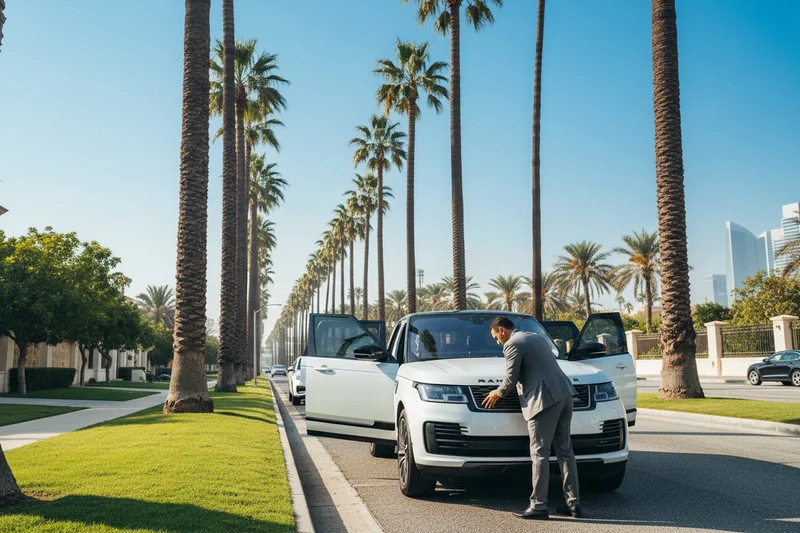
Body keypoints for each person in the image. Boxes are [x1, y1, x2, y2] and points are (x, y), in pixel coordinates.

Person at [482, 316, 582, 520]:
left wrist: (497, 393)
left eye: (496, 337)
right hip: (565, 395)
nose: (497, 342)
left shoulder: (512, 343)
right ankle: (573, 504)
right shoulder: (535, 337)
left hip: (544, 400)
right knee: (565, 452)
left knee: (540, 454)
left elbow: (511, 378)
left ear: (502, 330)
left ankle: (538, 506)